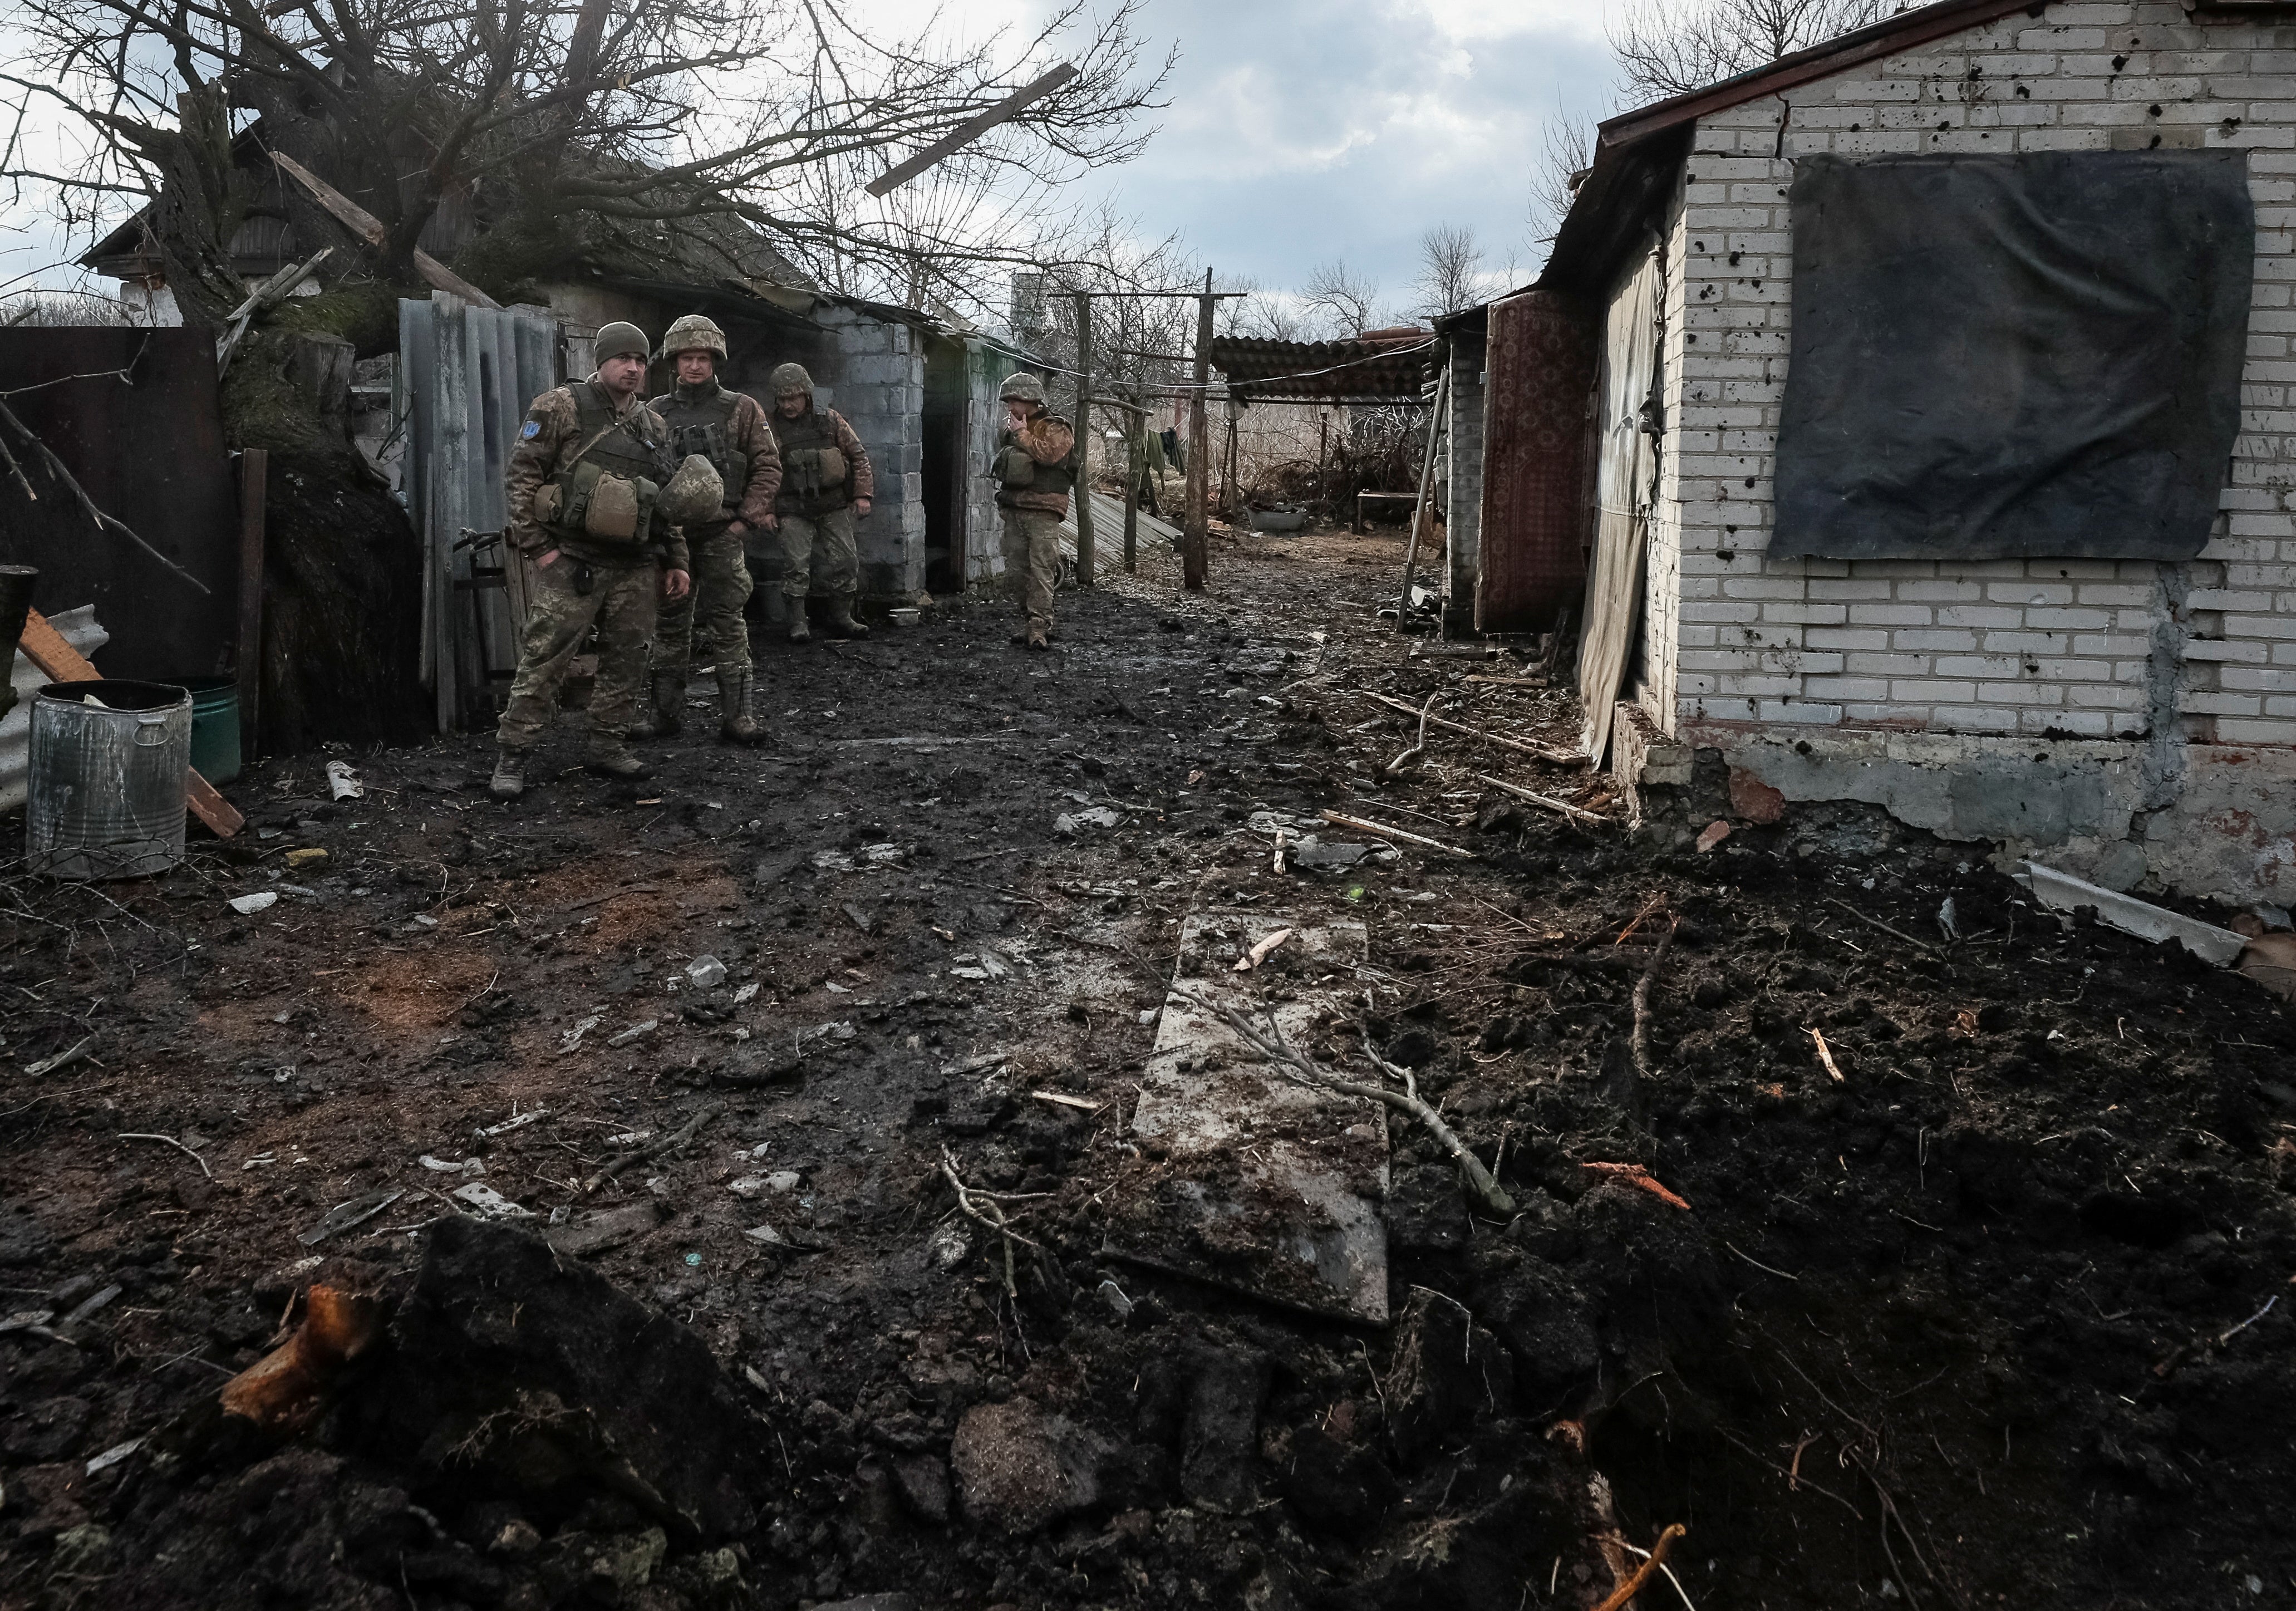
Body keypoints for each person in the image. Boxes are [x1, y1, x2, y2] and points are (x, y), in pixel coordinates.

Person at [490, 321, 691, 801]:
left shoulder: (652, 424)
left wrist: (677, 560)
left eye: (641, 361)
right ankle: (513, 755)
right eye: (624, 358)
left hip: (636, 565)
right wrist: (540, 548)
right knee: (545, 657)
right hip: (572, 559)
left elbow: (668, 500)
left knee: (627, 659)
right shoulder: (559, 406)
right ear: (600, 361)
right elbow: (522, 476)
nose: (634, 368)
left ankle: (607, 745)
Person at [641, 314, 780, 744]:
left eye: (702, 358)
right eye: (687, 358)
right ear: (673, 362)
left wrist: (744, 521)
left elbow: (767, 467)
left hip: (722, 533)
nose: (695, 367)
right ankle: (663, 714)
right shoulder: (654, 413)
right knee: (669, 625)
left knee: (729, 623)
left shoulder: (741, 409)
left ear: (714, 361)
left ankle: (738, 718)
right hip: (672, 538)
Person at [766, 362, 873, 642]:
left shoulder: (830, 421)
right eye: (783, 399)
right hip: (792, 507)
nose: (788, 405)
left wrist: (862, 495)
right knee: (796, 565)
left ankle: (841, 616)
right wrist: (765, 510)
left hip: (833, 503)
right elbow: (761, 470)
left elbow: (858, 456)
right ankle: (798, 623)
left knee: (847, 561)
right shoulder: (769, 428)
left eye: (794, 398)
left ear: (807, 396)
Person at [991, 372, 1075, 651]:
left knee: (1042, 569)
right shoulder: (1014, 428)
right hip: (1015, 508)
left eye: (1013, 400)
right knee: (1017, 571)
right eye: (1008, 401)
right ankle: (1026, 623)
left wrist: (1021, 435)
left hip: (1043, 511)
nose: (1010, 407)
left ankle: (1040, 627)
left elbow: (1050, 455)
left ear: (1029, 400)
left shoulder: (1056, 427)